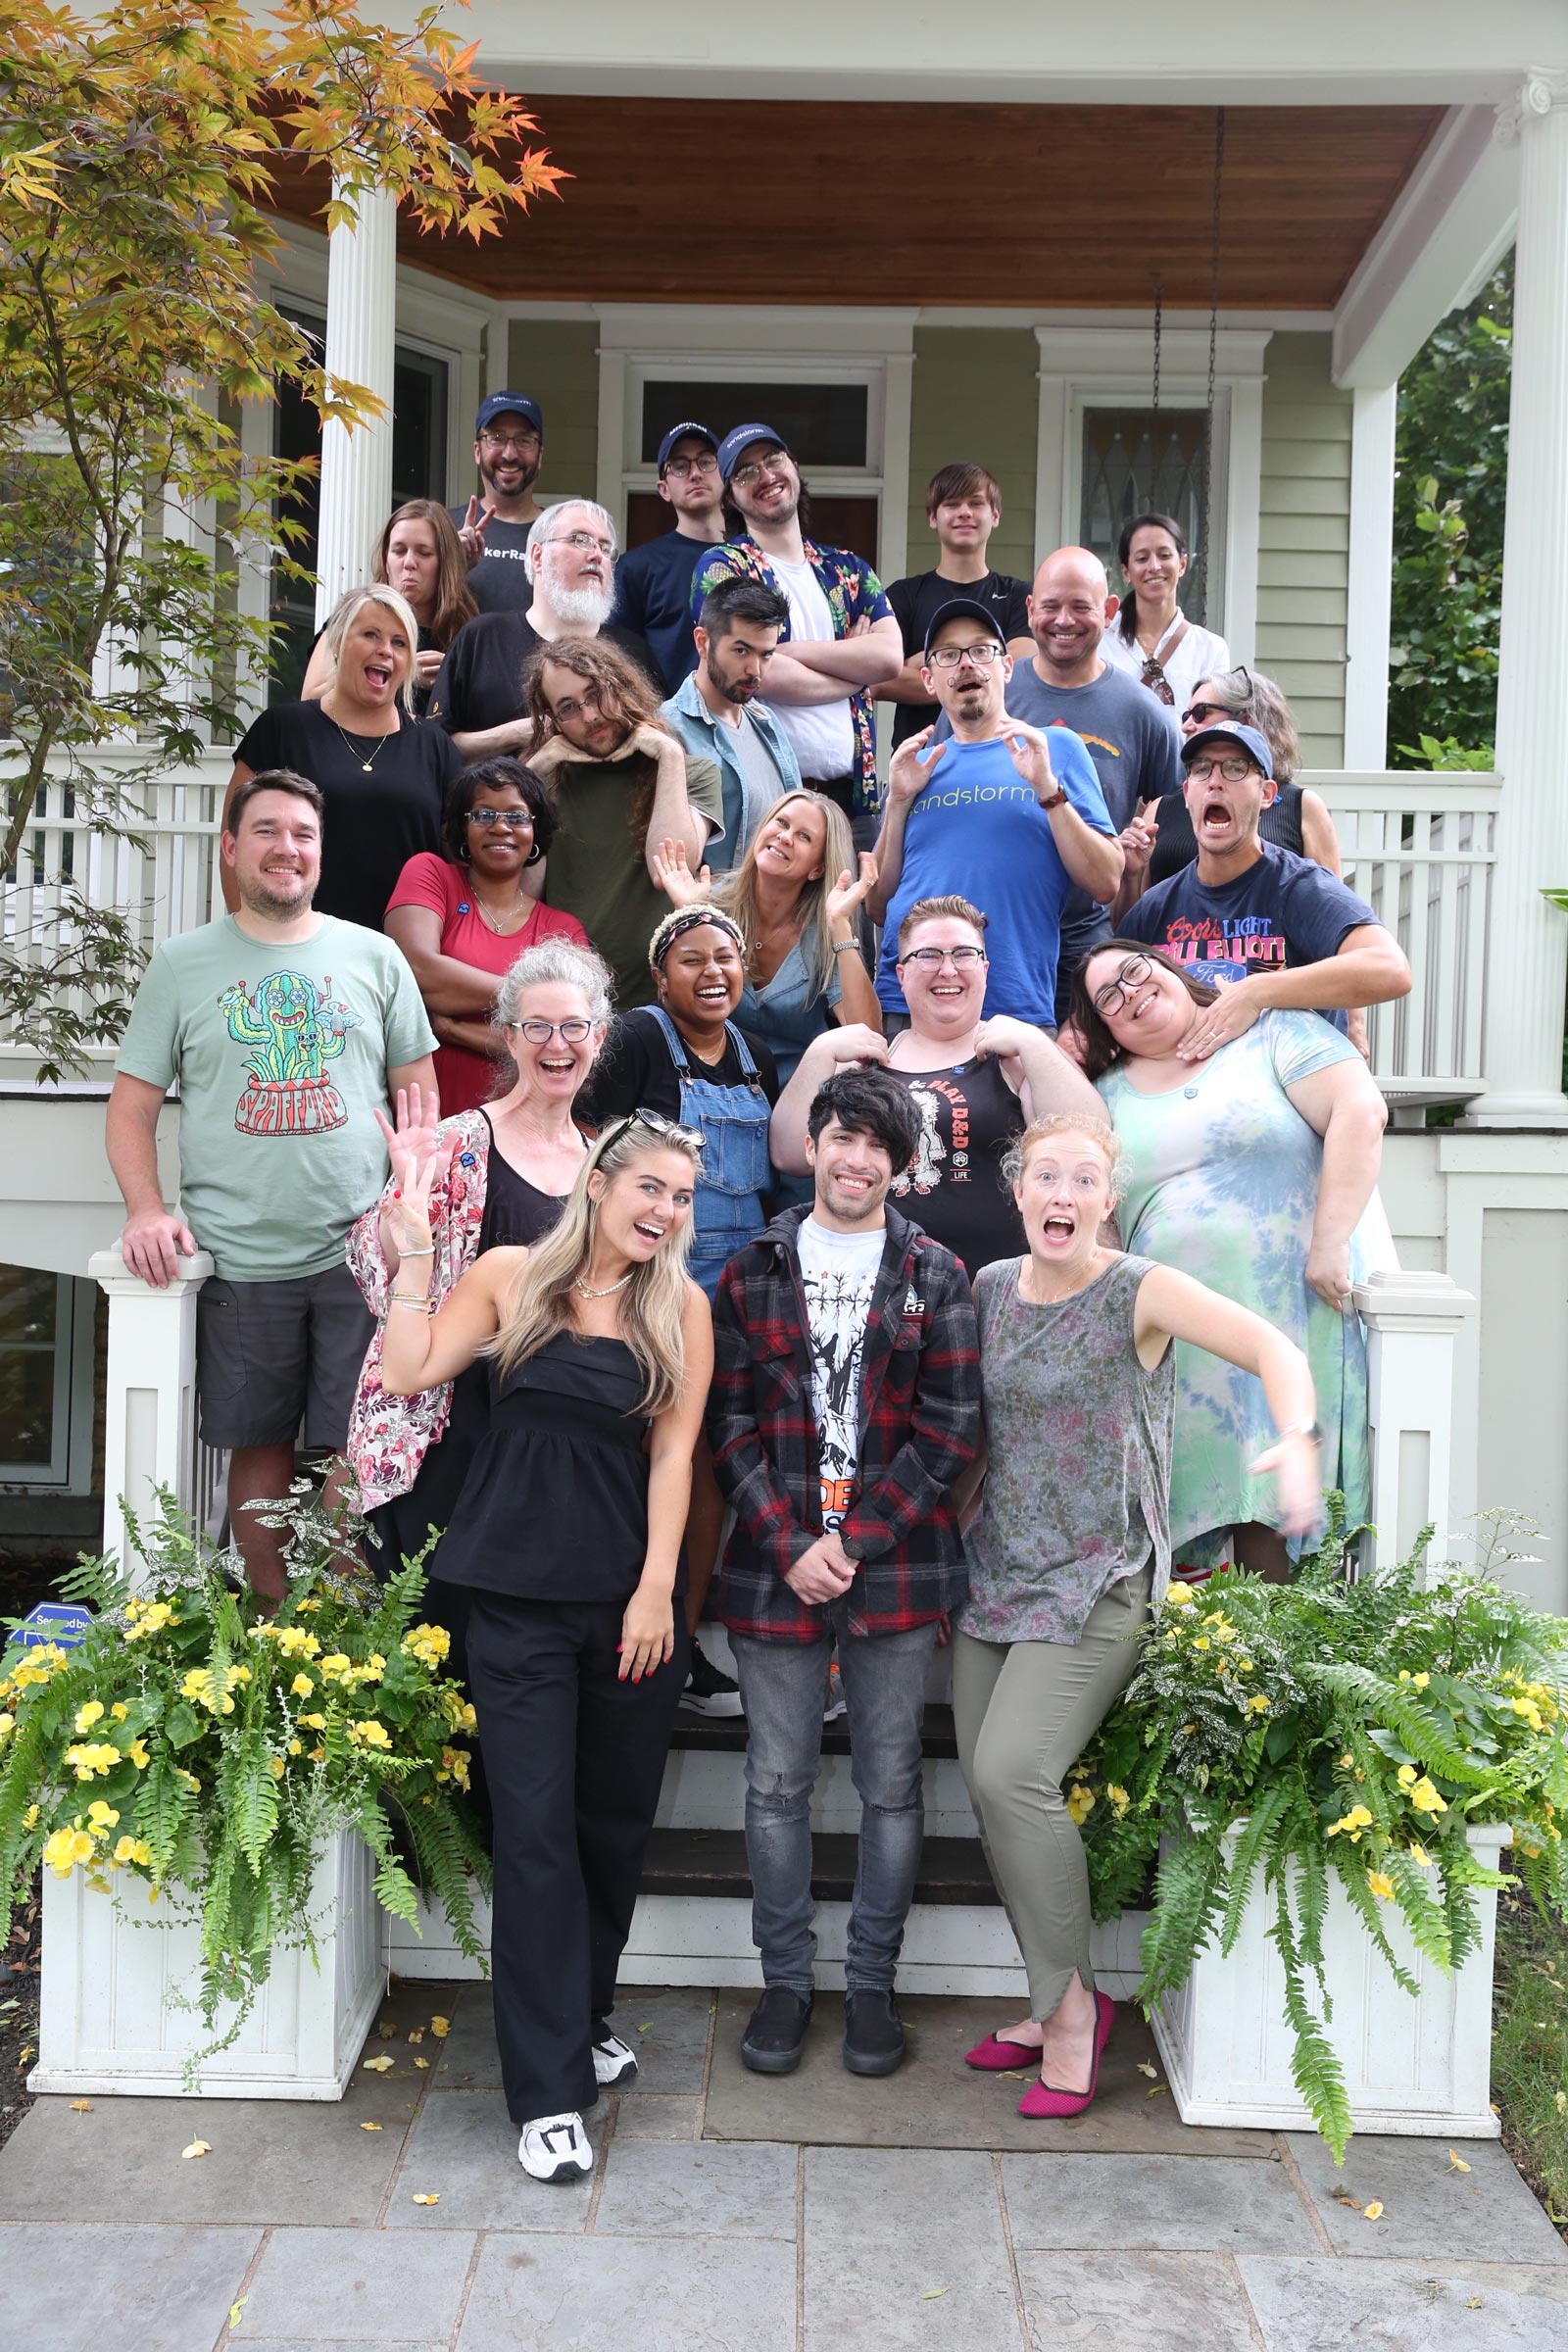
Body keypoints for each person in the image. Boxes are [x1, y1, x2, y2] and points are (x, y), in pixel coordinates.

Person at [953, 1112, 1320, 2117]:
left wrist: (1296, 1438)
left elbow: (1272, 1349)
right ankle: (1043, 1994)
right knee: (989, 1796)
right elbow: (979, 1436)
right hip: (996, 1574)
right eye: (1043, 1177)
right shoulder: (988, 1291)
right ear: (1018, 1190)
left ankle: (1075, 2012)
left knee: (1009, 1772)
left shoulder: (1139, 1291)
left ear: (1105, 1198)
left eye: (1081, 1179)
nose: (1060, 1194)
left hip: (1102, 1579)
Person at [376, 1109, 710, 2182]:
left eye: (681, 1196)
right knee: (530, 1837)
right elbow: (408, 1371)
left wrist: (658, 1590)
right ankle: (549, 2094)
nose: (664, 1211)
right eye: (649, 1188)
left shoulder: (681, 1309)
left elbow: (674, 1460)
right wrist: (418, 1256)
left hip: (627, 1611)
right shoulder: (513, 1275)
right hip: (512, 1602)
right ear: (601, 1185)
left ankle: (581, 2013)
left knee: (607, 1829)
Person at [709, 1066, 981, 2079]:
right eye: (841, 1137)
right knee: (775, 1785)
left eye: (877, 1145)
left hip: (894, 1564)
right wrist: (790, 1545)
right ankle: (785, 1982)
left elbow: (952, 1430)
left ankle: (872, 1987)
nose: (856, 1158)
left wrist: (856, 1541)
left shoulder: (935, 1274)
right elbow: (728, 1425)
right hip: (774, 1559)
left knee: (890, 1786)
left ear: (897, 1165)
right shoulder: (754, 1267)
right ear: (814, 1145)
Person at [106, 770, 437, 1602]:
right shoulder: (183, 966)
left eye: (302, 834)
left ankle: (340, 1646)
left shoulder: (374, 956)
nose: (286, 848)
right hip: (241, 1257)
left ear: (319, 854)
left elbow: (421, 1110)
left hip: (357, 1254)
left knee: (347, 1455)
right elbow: (131, 1108)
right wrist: (146, 1210)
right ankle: (265, 1635)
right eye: (266, 831)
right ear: (232, 848)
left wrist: (412, 1219)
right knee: (259, 1452)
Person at [346, 943, 612, 1771]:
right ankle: (437, 1869)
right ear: (507, 1036)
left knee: (529, 1690)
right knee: (437, 1666)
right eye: (538, 1026)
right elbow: (370, 1268)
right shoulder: (456, 1144)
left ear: (600, 1038)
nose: (557, 1044)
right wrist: (402, 1221)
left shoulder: (608, 1165)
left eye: (576, 1027)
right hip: (451, 1440)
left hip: (560, 1461)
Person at [1074, 939, 1385, 1577]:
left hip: (1292, 1313)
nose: (1130, 991)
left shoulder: (1275, 1033)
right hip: (1182, 1345)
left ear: (1170, 969)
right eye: (1109, 996)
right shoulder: (1102, 1098)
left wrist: (1330, 1243)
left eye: (1135, 971)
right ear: (1101, 1025)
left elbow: (1360, 1109)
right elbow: (1094, 1222)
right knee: (1198, 1552)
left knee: (1289, 1518)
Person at [773, 897, 1102, 1276]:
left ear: (984, 968)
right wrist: (820, 1053)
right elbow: (790, 1155)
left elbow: (1091, 1139)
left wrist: (1034, 1044)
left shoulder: (1013, 1059)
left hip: (991, 1289)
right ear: (901, 974)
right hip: (883, 1292)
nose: (947, 970)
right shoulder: (866, 1060)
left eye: (963, 954)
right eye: (928, 955)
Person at [868, 600, 1121, 1031]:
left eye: (980, 651)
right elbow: (877, 904)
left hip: (1012, 1001)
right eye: (948, 655)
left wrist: (1047, 789)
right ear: (929, 680)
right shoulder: (917, 766)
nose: (966, 664)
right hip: (907, 1001)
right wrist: (897, 802)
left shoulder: (1052, 747)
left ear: (1007, 667)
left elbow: (1106, 882)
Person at [976, 548, 1185, 1018]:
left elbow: (1173, 812)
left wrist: (1141, 857)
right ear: (1030, 610)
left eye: (1080, 607)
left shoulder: (1142, 711)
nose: (1063, 620)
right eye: (1050, 607)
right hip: (992, 938)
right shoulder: (993, 696)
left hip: (1086, 943)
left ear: (1109, 612)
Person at [1113, 720, 1410, 1042]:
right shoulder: (1157, 905)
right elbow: (1108, 993)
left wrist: (1256, 992)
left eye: (1235, 768)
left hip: (1286, 1082)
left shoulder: (1298, 887)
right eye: (1201, 769)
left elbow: (1390, 969)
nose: (1215, 781)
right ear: (1187, 794)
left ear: (1266, 794)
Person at [691, 424, 902, 851]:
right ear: (731, 496)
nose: (765, 476)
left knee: (847, 916)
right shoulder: (723, 567)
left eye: (773, 460)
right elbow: (756, 674)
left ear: (794, 467)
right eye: (746, 472)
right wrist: (853, 669)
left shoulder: (847, 568)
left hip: (852, 801)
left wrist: (795, 652)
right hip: (768, 798)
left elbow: (889, 658)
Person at [225, 585, 460, 935]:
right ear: (336, 643)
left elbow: (456, 866)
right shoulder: (282, 730)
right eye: (370, 635)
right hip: (296, 949)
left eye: (399, 643)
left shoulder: (436, 747)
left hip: (405, 958)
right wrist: (247, 935)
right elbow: (235, 844)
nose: (385, 651)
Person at [579, 906, 779, 1300]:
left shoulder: (756, 1056)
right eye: (692, 961)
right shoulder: (635, 1038)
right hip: (656, 1270)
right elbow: (588, 1145)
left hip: (748, 1275)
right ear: (661, 979)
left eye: (725, 958)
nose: (713, 971)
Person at [523, 637, 724, 1011]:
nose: (590, 716)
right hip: (569, 1002)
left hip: (659, 1004)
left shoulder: (692, 773)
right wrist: (532, 775)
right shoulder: (549, 782)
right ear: (552, 720)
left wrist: (668, 754)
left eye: (597, 694)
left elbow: (666, 869)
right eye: (568, 708)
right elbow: (520, 891)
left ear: (623, 686)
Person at [384, 759, 590, 1118]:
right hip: (428, 1125)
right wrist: (533, 1005)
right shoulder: (431, 876)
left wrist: (453, 1028)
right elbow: (416, 969)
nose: (500, 827)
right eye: (483, 815)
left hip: (523, 1135)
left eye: (516, 817)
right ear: (462, 828)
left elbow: (561, 1045)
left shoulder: (562, 930)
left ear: (535, 831)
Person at [651, 788, 881, 1092]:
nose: (785, 837)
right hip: (709, 1089)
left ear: (818, 868)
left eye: (804, 837)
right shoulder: (711, 902)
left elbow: (867, 1036)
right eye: (781, 823)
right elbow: (673, 1010)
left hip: (797, 1098)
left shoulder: (825, 927)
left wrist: (840, 927)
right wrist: (688, 916)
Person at [428, 500, 660, 756]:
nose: (596, 555)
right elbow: (434, 746)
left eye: (605, 548)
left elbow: (659, 741)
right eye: (579, 540)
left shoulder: (632, 651)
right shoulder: (482, 638)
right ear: (538, 556)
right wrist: (516, 734)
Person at [1136, 664, 1348, 887]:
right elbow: (1133, 914)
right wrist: (1131, 873)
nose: (1186, 726)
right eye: (1187, 715)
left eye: (1201, 713)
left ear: (1246, 721)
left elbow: (1332, 906)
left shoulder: (1301, 806)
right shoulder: (1161, 808)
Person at [881, 463, 1033, 750]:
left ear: (995, 515)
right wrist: (981, 675)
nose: (965, 512)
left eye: (976, 503)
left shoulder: (1017, 596)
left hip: (1003, 757)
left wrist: (928, 663)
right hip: (921, 763)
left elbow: (1020, 672)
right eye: (952, 504)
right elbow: (878, 681)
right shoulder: (903, 596)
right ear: (932, 517)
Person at [662, 577, 802, 871]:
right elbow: (669, 862)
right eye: (741, 651)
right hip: (709, 913)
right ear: (702, 642)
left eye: (766, 655)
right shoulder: (667, 729)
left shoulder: (767, 722)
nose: (755, 670)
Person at [300, 502, 476, 717]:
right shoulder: (353, 618)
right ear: (385, 559)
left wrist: (453, 681)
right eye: (399, 551)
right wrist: (404, 674)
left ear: (445, 562)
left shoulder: (468, 633)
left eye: (424, 553)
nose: (409, 562)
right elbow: (310, 698)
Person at [612, 422, 727, 692]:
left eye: (706, 461)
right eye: (680, 466)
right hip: (667, 726)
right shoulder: (635, 568)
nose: (695, 473)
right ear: (663, 489)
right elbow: (618, 663)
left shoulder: (751, 559)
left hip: (746, 725)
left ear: (725, 475)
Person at [1099, 511, 1229, 711]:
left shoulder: (1210, 649)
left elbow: (1212, 723)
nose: (1154, 566)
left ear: (1182, 564)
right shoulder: (1101, 640)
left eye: (1164, 555)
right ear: (1126, 572)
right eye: (1142, 558)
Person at [448, 390, 548, 613]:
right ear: (477, 451)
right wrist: (450, 566)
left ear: (539, 456)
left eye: (524, 440)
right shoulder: (444, 528)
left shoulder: (559, 536)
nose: (510, 454)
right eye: (496, 438)